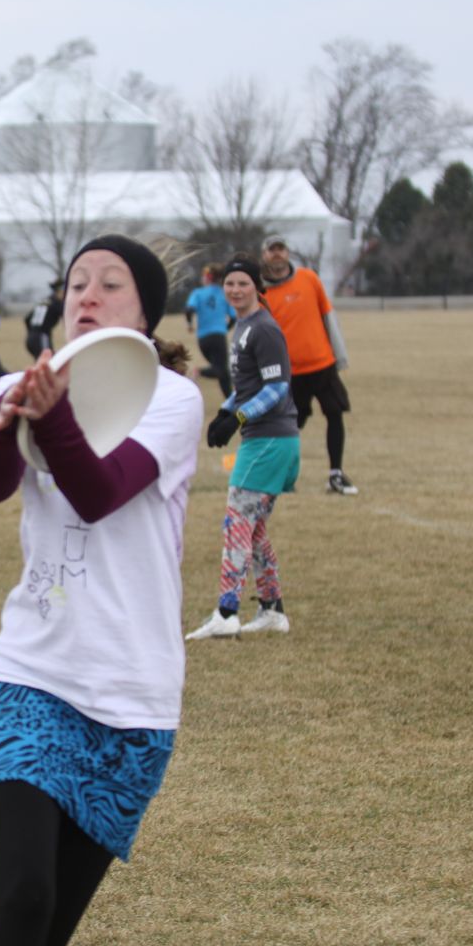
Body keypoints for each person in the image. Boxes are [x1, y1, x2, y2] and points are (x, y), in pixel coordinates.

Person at [0, 234, 203, 946]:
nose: (88, 296)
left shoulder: (173, 396)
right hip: (32, 674)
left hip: (134, 695)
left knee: (46, 938)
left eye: (110, 283)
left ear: (145, 313)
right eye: (76, 284)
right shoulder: (17, 384)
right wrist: (11, 419)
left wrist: (52, 418)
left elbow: (101, 492)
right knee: (24, 896)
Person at [185, 253, 300, 641]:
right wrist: (226, 409)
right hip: (266, 439)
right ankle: (272, 610)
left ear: (257, 287)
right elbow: (249, 387)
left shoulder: (264, 329)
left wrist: (239, 417)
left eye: (243, 283)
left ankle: (226, 612)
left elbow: (277, 387)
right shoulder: (243, 327)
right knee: (253, 528)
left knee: (237, 521)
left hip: (270, 441)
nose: (235, 290)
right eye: (230, 284)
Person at [259, 235, 357, 495]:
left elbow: (328, 317)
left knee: (334, 414)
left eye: (281, 249)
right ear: (264, 255)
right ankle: (282, 475)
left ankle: (336, 474)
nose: (277, 254)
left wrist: (339, 355)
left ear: (287, 253)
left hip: (322, 364)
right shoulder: (261, 293)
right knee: (291, 425)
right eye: (272, 250)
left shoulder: (309, 279)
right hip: (290, 372)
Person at [184, 263, 237, 396]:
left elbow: (189, 309)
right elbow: (233, 317)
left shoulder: (197, 293)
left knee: (222, 371)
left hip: (203, 339)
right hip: (218, 337)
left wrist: (190, 324)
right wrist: (225, 328)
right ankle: (198, 371)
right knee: (220, 370)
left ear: (207, 278)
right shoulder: (224, 294)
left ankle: (231, 401)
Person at [22, 280, 64, 360]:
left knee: (42, 362)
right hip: (42, 337)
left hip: (30, 338)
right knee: (49, 361)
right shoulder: (56, 303)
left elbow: (27, 319)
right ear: (59, 291)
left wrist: (32, 332)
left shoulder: (44, 301)